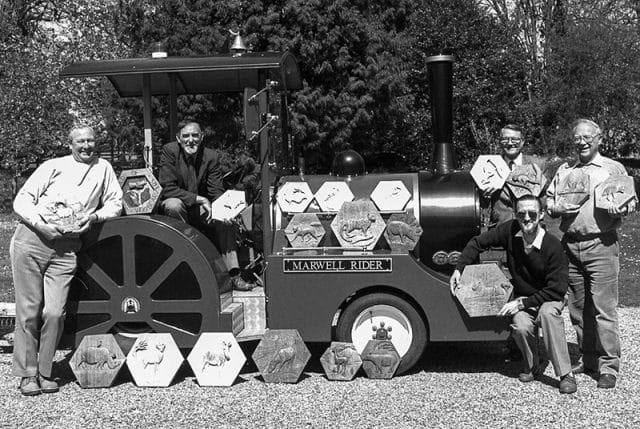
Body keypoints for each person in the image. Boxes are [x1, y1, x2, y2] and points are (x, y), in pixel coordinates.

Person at [11, 125, 123, 396]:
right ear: (70, 143)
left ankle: (46, 370)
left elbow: (115, 203)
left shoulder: (103, 168)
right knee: (29, 310)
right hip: (32, 240)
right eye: (80, 141)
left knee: (55, 312)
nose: (86, 146)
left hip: (67, 248)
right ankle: (28, 375)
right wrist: (40, 225)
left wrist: (95, 217)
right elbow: (22, 199)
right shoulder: (53, 166)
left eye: (91, 141)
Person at [450, 195, 577, 394]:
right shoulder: (510, 230)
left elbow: (557, 289)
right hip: (524, 297)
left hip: (549, 297)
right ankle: (533, 365)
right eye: (521, 213)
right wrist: (460, 268)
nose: (527, 218)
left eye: (532, 213)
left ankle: (566, 374)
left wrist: (521, 304)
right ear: (516, 215)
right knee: (521, 325)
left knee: (547, 315)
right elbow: (477, 242)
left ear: (541, 215)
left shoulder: (552, 246)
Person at [546, 119, 636, 389]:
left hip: (601, 245)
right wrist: (556, 207)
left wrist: (625, 208)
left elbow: (630, 200)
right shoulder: (565, 170)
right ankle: (589, 359)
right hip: (570, 245)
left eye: (587, 137)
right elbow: (549, 201)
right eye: (577, 137)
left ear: (599, 139)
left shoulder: (612, 168)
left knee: (603, 309)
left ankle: (609, 366)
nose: (582, 142)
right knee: (576, 308)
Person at [158, 121, 254, 290]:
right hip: (177, 204)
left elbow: (216, 191)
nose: (190, 140)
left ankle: (233, 275)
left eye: (195, 135)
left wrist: (227, 210)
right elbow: (167, 188)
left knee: (223, 219)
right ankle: (185, 266)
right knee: (174, 205)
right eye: (186, 136)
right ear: (178, 138)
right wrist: (199, 199)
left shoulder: (211, 156)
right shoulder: (169, 151)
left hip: (202, 208)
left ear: (201, 137)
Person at [485, 124, 546, 225]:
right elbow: (480, 204)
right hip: (501, 228)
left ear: (522, 142)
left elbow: (546, 198)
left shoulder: (538, 165)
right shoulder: (490, 166)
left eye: (514, 139)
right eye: (505, 139)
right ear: (500, 141)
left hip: (531, 226)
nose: (509, 143)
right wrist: (485, 195)